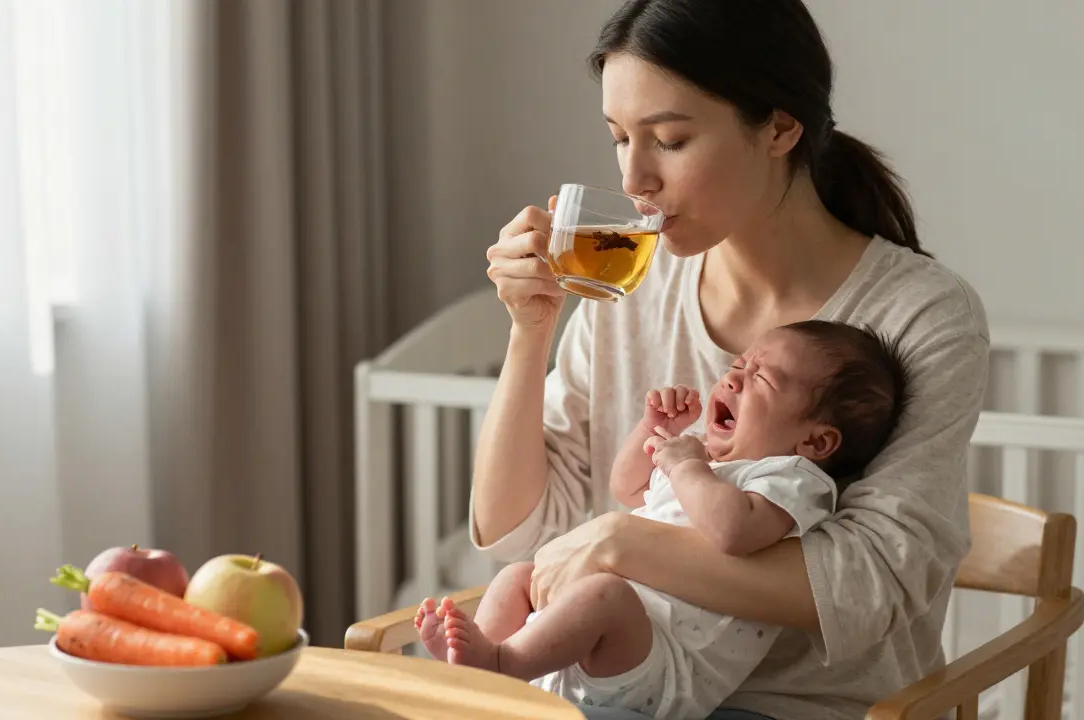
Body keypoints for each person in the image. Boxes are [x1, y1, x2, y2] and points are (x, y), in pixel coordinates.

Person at [470, 0, 990, 718]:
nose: (634, 180)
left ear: (779, 127)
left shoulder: (921, 314)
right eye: (620, 139)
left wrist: (622, 542)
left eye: (670, 140)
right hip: (614, 690)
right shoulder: (629, 280)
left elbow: (869, 585)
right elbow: (514, 532)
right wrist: (529, 333)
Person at [419, 321, 911, 719]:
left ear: (816, 442)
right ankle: (480, 670)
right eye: (739, 365)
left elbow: (733, 531)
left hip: (664, 667)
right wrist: (653, 434)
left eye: (761, 379)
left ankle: (502, 664)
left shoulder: (791, 479)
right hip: (609, 632)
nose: (734, 378)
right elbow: (629, 489)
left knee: (604, 595)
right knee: (519, 576)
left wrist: (686, 466)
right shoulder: (710, 465)